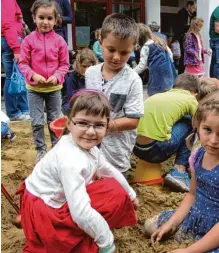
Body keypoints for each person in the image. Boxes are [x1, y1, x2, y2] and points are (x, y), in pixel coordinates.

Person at [17, 90, 138, 253]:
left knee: (114, 189)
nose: (90, 131)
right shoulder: (71, 159)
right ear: (68, 124)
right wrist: (106, 242)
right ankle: (45, 228)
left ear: (107, 125)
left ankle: (28, 219)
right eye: (83, 123)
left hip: (46, 196)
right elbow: (80, 212)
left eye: (99, 125)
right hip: (45, 207)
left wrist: (131, 195)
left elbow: (108, 170)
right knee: (110, 198)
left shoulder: (87, 147)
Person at [146, 88, 219, 253]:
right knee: (151, 226)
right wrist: (172, 222)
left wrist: (188, 251)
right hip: (195, 218)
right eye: (207, 129)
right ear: (198, 126)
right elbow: (192, 194)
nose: (213, 140)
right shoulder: (197, 155)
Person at [85, 14, 144, 174]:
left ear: (133, 49)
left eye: (124, 52)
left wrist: (103, 126)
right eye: (111, 50)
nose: (117, 57)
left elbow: (133, 120)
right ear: (100, 42)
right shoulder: (90, 73)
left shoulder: (133, 80)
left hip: (116, 151)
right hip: (88, 145)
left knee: (115, 188)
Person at [18, 0, 70, 163]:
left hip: (54, 89)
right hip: (34, 89)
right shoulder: (28, 41)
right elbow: (23, 63)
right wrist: (33, 75)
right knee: (37, 121)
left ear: (56, 20)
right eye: (41, 17)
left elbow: (65, 65)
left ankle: (57, 149)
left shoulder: (60, 41)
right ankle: (41, 150)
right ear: (34, 18)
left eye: (49, 18)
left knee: (55, 120)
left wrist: (57, 76)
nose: (45, 22)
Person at [133, 74, 199, 192]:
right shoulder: (190, 99)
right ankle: (179, 171)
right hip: (156, 150)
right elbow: (200, 123)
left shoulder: (158, 95)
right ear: (195, 93)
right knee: (190, 123)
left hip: (136, 148)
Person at [1, 0, 29, 121]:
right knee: (12, 77)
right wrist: (16, 48)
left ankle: (23, 110)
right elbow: (7, 24)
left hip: (11, 40)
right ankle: (13, 112)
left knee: (18, 76)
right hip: (11, 41)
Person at [134, 23, 177, 96]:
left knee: (154, 96)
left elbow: (142, 66)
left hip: (157, 76)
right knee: (167, 93)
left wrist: (131, 71)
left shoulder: (146, 47)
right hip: (168, 73)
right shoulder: (160, 42)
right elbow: (170, 54)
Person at [62, 48, 98, 114]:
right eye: (84, 66)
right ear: (78, 65)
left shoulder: (97, 76)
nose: (87, 69)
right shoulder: (72, 77)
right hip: (74, 104)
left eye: (89, 66)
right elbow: (70, 97)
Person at [175, 1, 197, 74]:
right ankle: (181, 73)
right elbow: (180, 26)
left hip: (188, 36)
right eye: (193, 7)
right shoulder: (182, 13)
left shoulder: (192, 15)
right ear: (189, 6)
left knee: (187, 55)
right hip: (182, 37)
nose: (194, 9)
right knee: (184, 55)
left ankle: (186, 72)